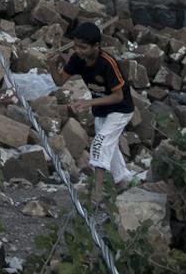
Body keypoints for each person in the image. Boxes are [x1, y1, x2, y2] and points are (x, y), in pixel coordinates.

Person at [54, 20, 138, 186]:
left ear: (96, 46)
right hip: (101, 110)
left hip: (121, 109)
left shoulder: (107, 63)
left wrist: (89, 102)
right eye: (76, 46)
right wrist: (51, 64)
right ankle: (123, 180)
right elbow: (59, 81)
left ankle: (97, 194)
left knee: (99, 142)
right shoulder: (78, 59)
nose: (78, 51)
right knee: (110, 145)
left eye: (83, 47)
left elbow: (118, 96)